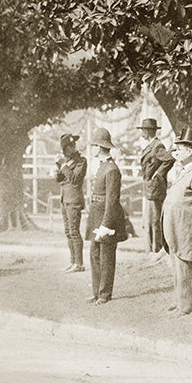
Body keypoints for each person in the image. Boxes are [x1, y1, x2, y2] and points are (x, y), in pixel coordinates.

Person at [162, 128, 192, 315]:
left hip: (186, 227)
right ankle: (179, 298)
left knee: (185, 261)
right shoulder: (185, 171)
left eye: (178, 149)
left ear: (189, 151)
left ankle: (187, 304)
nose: (175, 153)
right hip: (175, 226)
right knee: (176, 260)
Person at [85, 128, 126, 304]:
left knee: (106, 256)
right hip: (96, 214)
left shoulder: (111, 169)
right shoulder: (102, 166)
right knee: (94, 253)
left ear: (99, 147)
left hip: (106, 218)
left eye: (93, 145)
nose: (91, 149)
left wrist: (106, 224)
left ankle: (104, 294)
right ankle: (96, 291)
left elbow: (112, 200)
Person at [138, 118, 172, 254]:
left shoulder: (157, 146)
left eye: (143, 130)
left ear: (148, 131)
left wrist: (158, 174)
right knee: (149, 221)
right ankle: (151, 249)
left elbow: (169, 159)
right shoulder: (150, 146)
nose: (142, 132)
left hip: (155, 188)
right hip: (150, 187)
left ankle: (155, 250)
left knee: (154, 221)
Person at [55, 133, 87, 273]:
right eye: (69, 147)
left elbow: (74, 179)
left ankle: (79, 263)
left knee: (74, 231)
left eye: (72, 146)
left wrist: (64, 166)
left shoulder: (81, 161)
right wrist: (59, 167)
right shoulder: (66, 161)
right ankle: (73, 261)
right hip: (65, 199)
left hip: (73, 200)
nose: (72, 148)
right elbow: (59, 180)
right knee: (68, 232)